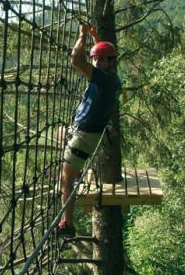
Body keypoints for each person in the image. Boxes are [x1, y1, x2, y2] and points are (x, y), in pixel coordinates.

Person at [57, 24, 121, 238]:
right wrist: (96, 40)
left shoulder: (103, 80)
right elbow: (100, 60)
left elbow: (76, 59)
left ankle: (68, 224)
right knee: (67, 171)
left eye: (102, 59)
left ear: (111, 63)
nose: (97, 62)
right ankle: (68, 219)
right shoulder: (111, 79)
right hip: (87, 133)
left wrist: (82, 35)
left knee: (66, 181)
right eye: (96, 58)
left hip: (84, 137)